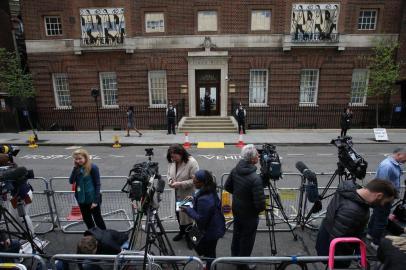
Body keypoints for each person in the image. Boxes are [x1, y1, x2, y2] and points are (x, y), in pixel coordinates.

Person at [316, 179, 396, 268]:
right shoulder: (353, 210)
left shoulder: (349, 189)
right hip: (334, 251)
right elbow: (340, 241)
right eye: (385, 202)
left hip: (325, 238)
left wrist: (359, 251)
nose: (382, 205)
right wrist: (344, 262)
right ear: (379, 195)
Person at [224, 144, 266, 270]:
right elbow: (260, 206)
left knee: (237, 234)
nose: (259, 156)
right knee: (247, 239)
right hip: (249, 214)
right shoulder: (255, 178)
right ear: (252, 159)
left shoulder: (236, 169)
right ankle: (243, 265)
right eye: (257, 155)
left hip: (237, 208)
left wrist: (239, 195)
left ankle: (234, 258)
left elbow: (227, 186)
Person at [181, 170, 226, 269]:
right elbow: (201, 198)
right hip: (211, 227)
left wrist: (188, 210)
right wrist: (193, 198)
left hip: (210, 231)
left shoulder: (205, 199)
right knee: (206, 250)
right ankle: (207, 263)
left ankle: (208, 266)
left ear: (203, 183)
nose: (193, 182)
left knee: (208, 252)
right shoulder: (208, 190)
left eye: (196, 181)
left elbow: (200, 218)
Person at [367, 147, 406, 248]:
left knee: (377, 216)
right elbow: (382, 184)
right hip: (384, 199)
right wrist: (384, 199)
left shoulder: (392, 164)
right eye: (405, 157)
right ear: (399, 155)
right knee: (382, 220)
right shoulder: (387, 166)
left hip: (385, 198)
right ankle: (376, 242)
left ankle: (370, 234)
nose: (405, 160)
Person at [167, 144, 199, 248]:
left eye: (175, 156)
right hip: (176, 194)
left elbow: (195, 181)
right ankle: (182, 233)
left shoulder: (192, 162)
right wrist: (170, 180)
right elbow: (169, 173)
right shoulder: (173, 161)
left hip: (186, 194)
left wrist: (180, 184)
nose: (173, 159)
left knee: (188, 218)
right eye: (171, 157)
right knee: (179, 215)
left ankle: (191, 238)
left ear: (181, 154)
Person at [70, 149, 106, 230]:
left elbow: (97, 184)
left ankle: (104, 236)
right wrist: (74, 169)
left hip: (92, 198)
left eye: (80, 158)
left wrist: (95, 201)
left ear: (85, 158)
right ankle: (92, 235)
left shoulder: (93, 167)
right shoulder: (77, 168)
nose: (78, 161)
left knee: (98, 219)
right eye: (76, 159)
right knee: (87, 219)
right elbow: (71, 181)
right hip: (81, 199)